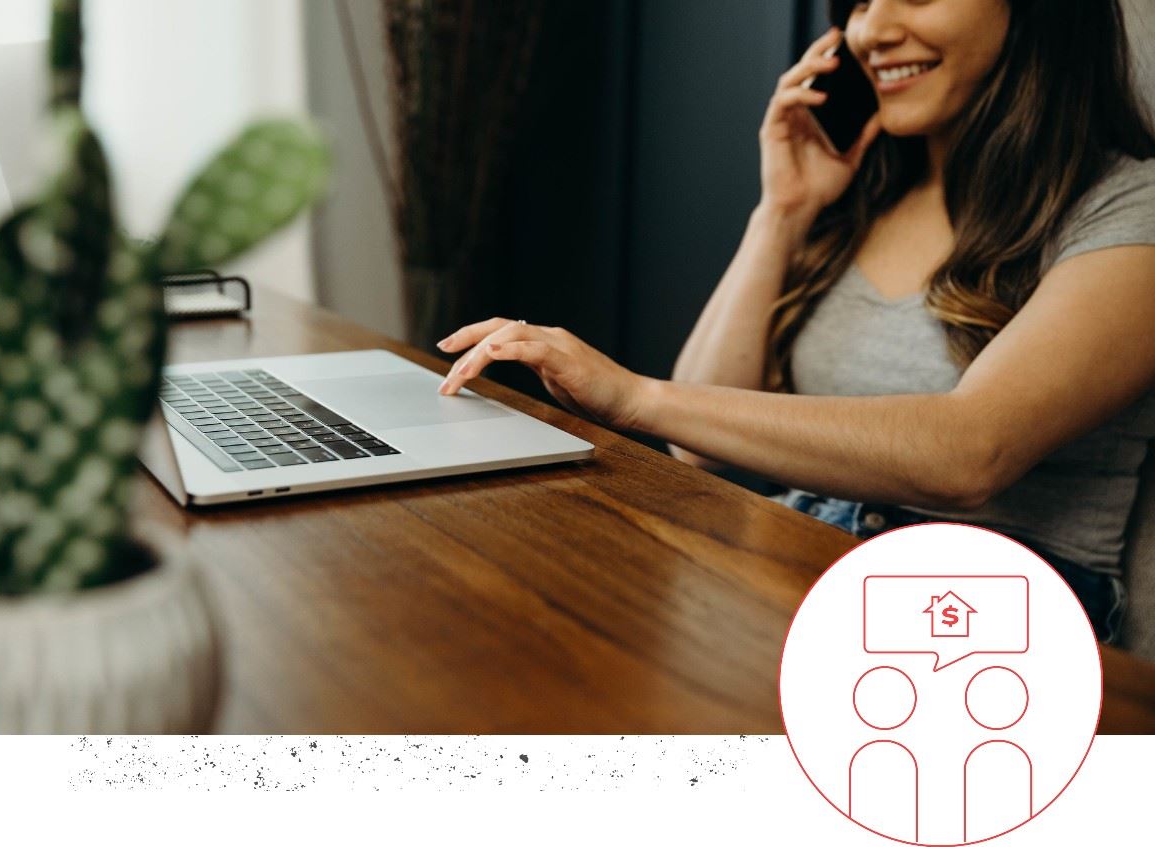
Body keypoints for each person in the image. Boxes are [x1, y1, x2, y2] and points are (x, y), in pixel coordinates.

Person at [433, 0, 1155, 644]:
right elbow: (698, 451)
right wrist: (780, 213)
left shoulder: (1129, 208)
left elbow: (970, 452)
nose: (873, 29)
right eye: (862, 2)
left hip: (985, 613)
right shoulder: (865, 194)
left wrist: (634, 394)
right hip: (802, 550)